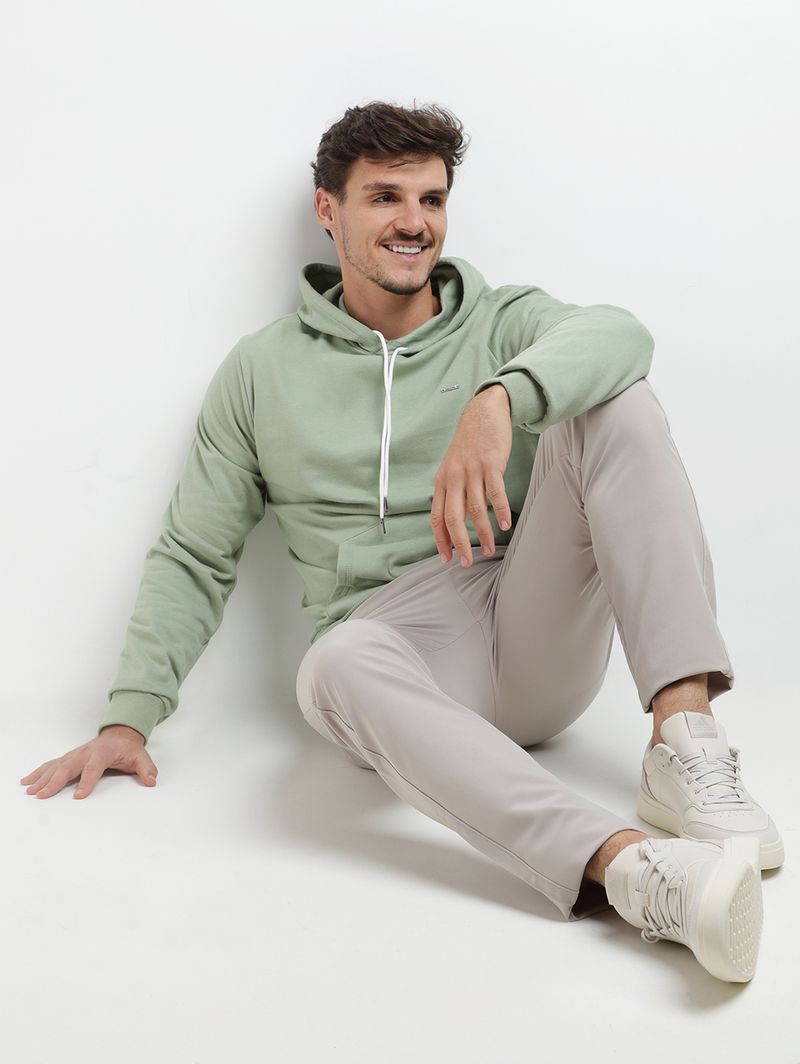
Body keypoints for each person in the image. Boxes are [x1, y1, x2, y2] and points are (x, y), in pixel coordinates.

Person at [20, 101, 782, 982]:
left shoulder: (499, 322)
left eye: (432, 198)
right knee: (332, 666)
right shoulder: (260, 371)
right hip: (392, 657)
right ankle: (633, 872)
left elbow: (623, 334)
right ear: (329, 209)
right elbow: (196, 552)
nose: (414, 221)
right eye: (385, 197)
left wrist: (499, 399)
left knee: (617, 399)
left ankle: (683, 742)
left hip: (524, 618)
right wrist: (129, 716)